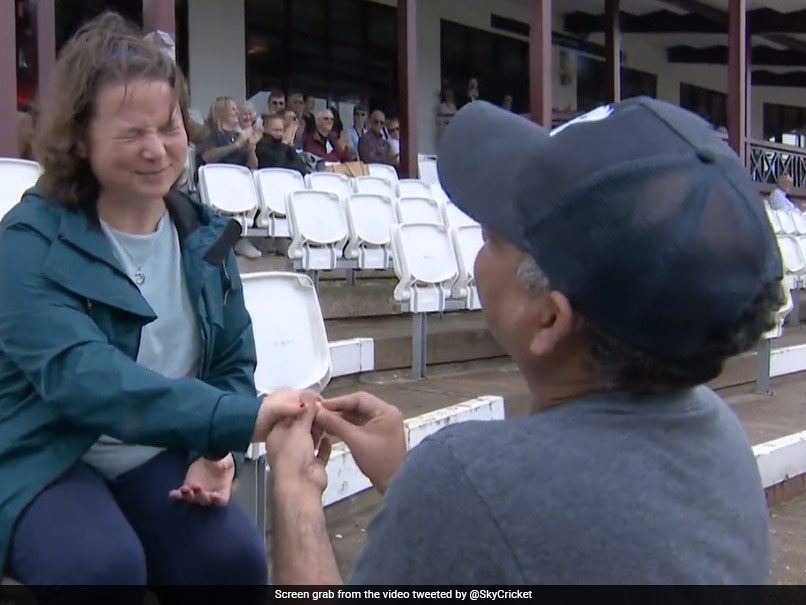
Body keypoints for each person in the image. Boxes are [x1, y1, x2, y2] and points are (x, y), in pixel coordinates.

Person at [267, 98, 780, 585]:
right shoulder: (721, 442)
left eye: (491, 239)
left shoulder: (465, 483)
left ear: (549, 319)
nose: (478, 256)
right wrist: (420, 486)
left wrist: (295, 495)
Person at [0, 13, 317, 599]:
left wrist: (212, 450)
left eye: (169, 126)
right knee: (101, 567)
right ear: (79, 138)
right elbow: (84, 380)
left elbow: (231, 362)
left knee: (233, 560)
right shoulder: (23, 241)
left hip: (156, 453)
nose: (156, 150)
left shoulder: (212, 234)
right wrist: (236, 420)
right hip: (42, 454)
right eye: (129, 134)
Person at [197, 96, 262, 258]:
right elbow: (208, 156)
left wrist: (251, 146)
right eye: (233, 109)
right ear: (221, 112)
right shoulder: (211, 134)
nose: (237, 112)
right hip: (217, 185)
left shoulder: (237, 135)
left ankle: (239, 239)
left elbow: (252, 166)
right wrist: (237, 144)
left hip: (238, 186)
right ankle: (235, 240)